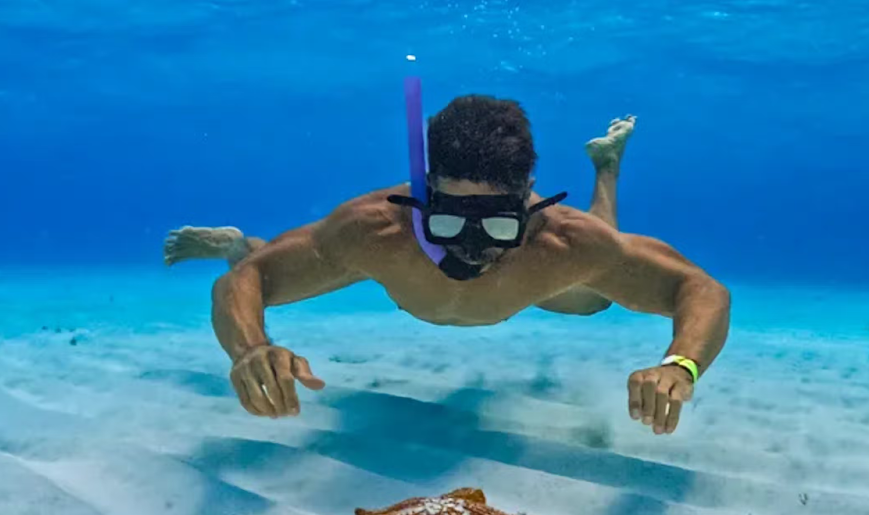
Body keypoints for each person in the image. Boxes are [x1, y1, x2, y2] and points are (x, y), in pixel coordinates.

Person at [163, 95, 731, 436]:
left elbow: (700, 289)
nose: (471, 247)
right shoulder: (376, 229)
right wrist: (250, 349)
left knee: (595, 294)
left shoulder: (564, 242)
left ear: (529, 199)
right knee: (262, 263)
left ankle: (606, 168)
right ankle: (242, 241)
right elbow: (245, 284)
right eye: (450, 222)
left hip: (540, 278)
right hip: (396, 269)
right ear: (425, 192)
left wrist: (681, 364)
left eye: (497, 225)